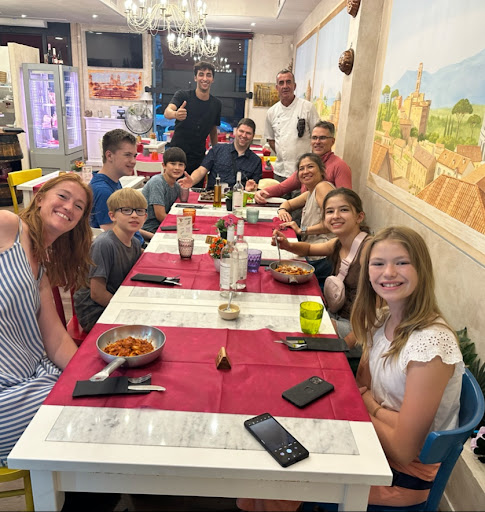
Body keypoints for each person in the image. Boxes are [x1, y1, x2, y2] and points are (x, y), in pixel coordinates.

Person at [352, 226, 464, 508]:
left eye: (401, 262)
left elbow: (404, 450)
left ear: (421, 270)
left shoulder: (430, 344)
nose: (388, 272)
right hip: (376, 446)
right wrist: (373, 408)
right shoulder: (383, 319)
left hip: (402, 477)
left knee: (283, 482)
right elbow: (361, 388)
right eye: (378, 263)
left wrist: (369, 406)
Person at [0, 173, 93, 466]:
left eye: (78, 206)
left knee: (92, 400)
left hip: (30, 376)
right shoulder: (8, 227)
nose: (69, 207)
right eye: (63, 196)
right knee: (79, 413)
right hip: (8, 392)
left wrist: (89, 378)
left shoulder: (41, 264)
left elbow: (55, 337)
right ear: (40, 199)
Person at [274, 188, 371, 353]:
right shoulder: (339, 243)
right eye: (330, 211)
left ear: (359, 217)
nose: (336, 216)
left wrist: (343, 345)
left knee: (297, 332)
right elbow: (309, 248)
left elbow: (379, 312)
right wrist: (288, 245)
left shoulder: (369, 250)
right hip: (337, 316)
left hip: (360, 332)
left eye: (344, 210)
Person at [74, 188, 147, 332]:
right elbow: (97, 294)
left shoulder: (135, 243)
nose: (134, 215)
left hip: (116, 299)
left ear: (145, 217)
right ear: (112, 216)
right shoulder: (104, 244)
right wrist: (127, 310)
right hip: (94, 311)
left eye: (139, 211)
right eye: (126, 210)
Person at [255, 121, 352, 204]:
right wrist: (262, 192)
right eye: (314, 138)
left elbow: (346, 201)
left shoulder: (340, 166)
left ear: (332, 141)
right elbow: (282, 187)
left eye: (322, 138)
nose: (317, 142)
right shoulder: (307, 164)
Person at [276, 153, 335, 285]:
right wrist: (282, 210)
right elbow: (288, 203)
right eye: (301, 169)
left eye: (310, 167)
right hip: (312, 251)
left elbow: (331, 223)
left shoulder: (322, 187)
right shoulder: (310, 192)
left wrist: (302, 230)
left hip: (323, 257)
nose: (305, 171)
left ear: (321, 171)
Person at [90, 128, 151, 243]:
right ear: (109, 156)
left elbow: (125, 227)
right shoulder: (103, 191)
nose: (133, 161)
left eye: (134, 156)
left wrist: (153, 237)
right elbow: (116, 240)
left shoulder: (113, 182)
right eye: (127, 155)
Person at [164, 61, 222, 180]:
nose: (204, 78)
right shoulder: (183, 96)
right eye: (201, 74)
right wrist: (176, 114)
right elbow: (167, 112)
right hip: (176, 156)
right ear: (195, 78)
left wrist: (216, 152)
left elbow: (213, 130)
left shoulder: (216, 104)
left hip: (198, 158)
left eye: (208, 75)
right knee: (172, 189)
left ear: (213, 79)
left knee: (196, 190)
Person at [265, 69, 320, 183]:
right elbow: (271, 139)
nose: (285, 86)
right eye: (281, 83)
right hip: (280, 172)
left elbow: (317, 137)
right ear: (277, 88)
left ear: (294, 86)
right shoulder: (271, 112)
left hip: (304, 173)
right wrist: (282, 152)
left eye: (288, 82)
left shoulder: (307, 108)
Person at [177, 118, 261, 191]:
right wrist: (192, 180)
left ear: (253, 136)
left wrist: (252, 188)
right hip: (213, 197)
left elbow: (254, 186)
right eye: (241, 131)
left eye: (248, 133)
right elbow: (201, 170)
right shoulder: (217, 149)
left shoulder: (256, 161)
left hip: (238, 199)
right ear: (236, 131)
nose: (244, 135)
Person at [142, 147, 190, 233]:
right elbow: (160, 216)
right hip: (150, 228)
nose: (177, 168)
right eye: (173, 164)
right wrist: (184, 224)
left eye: (181, 165)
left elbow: (182, 204)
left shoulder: (176, 185)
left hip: (165, 224)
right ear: (164, 165)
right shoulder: (157, 182)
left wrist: (186, 187)